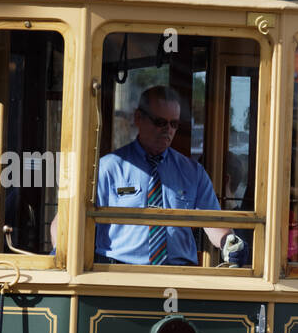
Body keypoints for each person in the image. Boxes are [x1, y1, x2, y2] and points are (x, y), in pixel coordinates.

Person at [95, 86, 245, 266]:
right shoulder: (108, 168)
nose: (168, 130)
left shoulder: (193, 172)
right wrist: (62, 255)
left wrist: (229, 243)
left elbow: (214, 222)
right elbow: (69, 222)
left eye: (174, 124)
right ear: (138, 118)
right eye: (160, 122)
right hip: (118, 276)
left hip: (178, 276)